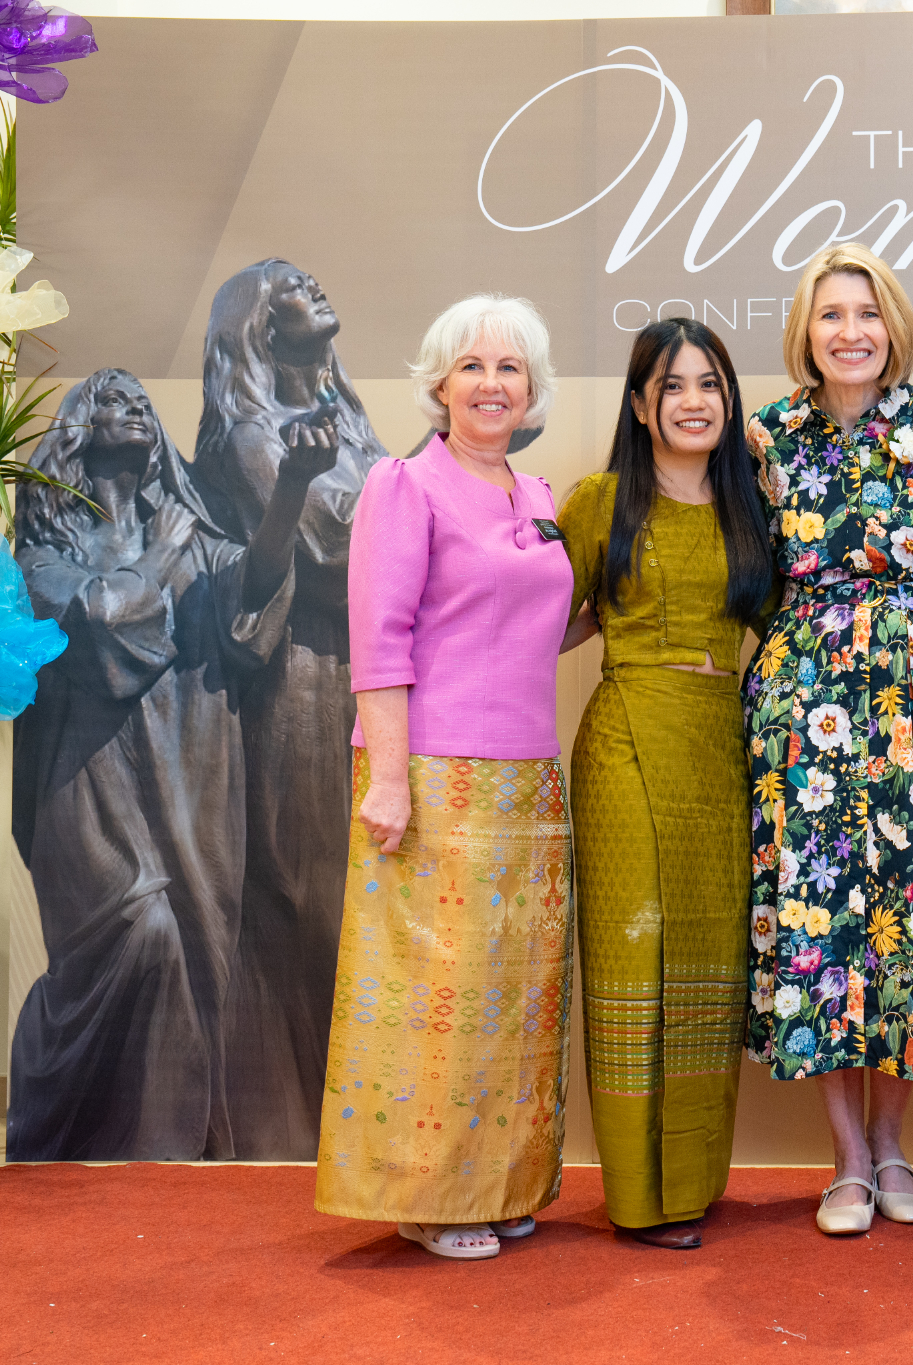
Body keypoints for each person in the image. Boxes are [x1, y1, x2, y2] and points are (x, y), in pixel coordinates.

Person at [8, 370, 330, 1161]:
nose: (130, 409)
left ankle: (169, 1164)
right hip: (86, 781)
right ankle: (79, 1135)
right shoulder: (43, 554)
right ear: (77, 430)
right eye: (109, 399)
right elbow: (97, 621)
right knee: (136, 934)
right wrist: (156, 558)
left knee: (194, 953)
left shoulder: (191, 533)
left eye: (140, 401)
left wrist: (291, 487)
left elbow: (252, 597)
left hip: (192, 773)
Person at [313, 295, 575, 1261]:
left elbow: (539, 628)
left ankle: (496, 1185)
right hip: (432, 774)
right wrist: (387, 780)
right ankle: (429, 1198)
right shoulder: (404, 485)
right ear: (439, 384)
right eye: (472, 366)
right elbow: (377, 641)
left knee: (513, 997)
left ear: (532, 389)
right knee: (436, 995)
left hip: (530, 782)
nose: (491, 384)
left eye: (509, 368)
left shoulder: (538, 494)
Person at [742, 243, 913, 1236]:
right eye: (831, 313)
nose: (850, 331)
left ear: (894, 328)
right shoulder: (766, 437)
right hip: (802, 701)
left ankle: (891, 1142)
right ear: (806, 329)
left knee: (912, 910)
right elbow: (740, 566)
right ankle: (843, 1156)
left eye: (868, 313)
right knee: (817, 913)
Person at [558, 318, 774, 1250]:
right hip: (626, 748)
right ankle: (638, 1198)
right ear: (641, 406)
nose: (694, 401)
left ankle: (689, 1183)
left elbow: (791, 622)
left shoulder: (752, 508)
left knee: (707, 966)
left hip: (723, 754)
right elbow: (541, 621)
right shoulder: (601, 501)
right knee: (631, 958)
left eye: (710, 384)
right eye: (673, 385)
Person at [193, 258, 388, 1161]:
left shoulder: (349, 419)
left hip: (374, 672)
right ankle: (303, 1123)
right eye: (294, 290)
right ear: (262, 325)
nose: (316, 290)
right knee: (314, 897)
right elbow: (329, 548)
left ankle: (366, 1114)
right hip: (304, 680)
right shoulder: (251, 434)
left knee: (371, 898)